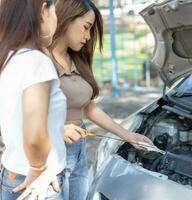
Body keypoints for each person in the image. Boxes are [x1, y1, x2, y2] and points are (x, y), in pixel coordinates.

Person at [49, 0, 153, 199]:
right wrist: (57, 129)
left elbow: (89, 108)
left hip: (77, 151)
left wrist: (128, 135)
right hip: (50, 152)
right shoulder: (39, 61)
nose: (88, 37)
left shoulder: (76, 59)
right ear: (66, 18)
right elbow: (16, 111)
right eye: (86, 27)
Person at [0, 0, 67, 199]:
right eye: (54, 10)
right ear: (43, 10)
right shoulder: (36, 62)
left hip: (13, 172)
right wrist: (39, 168)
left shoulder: (10, 58)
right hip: (36, 180)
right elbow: (35, 136)